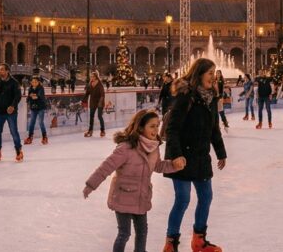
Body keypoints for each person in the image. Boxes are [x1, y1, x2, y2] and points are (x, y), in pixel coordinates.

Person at [83, 109, 186, 252]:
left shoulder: (154, 147)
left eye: (157, 125)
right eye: (152, 126)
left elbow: (157, 166)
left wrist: (174, 165)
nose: (156, 129)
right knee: (124, 233)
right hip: (123, 196)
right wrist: (90, 185)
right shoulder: (126, 148)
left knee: (142, 232)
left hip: (141, 197)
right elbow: (106, 167)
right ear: (141, 127)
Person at [162, 58, 227, 252]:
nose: (213, 77)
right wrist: (176, 155)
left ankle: (199, 239)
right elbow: (172, 128)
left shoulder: (212, 98)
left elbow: (214, 129)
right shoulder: (185, 96)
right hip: (182, 157)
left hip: (201, 157)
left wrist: (221, 153)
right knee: (182, 199)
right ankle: (170, 243)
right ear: (199, 74)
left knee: (206, 197)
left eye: (214, 73)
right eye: (209, 73)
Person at [25, 76, 49, 145]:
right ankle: (30, 137)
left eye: (35, 82)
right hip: (33, 107)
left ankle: (44, 137)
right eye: (32, 82)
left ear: (38, 82)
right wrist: (30, 97)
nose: (34, 83)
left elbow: (38, 96)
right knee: (32, 122)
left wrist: (33, 96)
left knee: (41, 122)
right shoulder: (30, 88)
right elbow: (28, 98)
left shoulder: (41, 88)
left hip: (40, 107)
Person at [83, 71, 107, 137]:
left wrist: (100, 103)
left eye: (93, 76)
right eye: (91, 76)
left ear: (96, 77)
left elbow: (102, 94)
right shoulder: (90, 84)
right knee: (91, 116)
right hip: (92, 102)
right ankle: (90, 131)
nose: (91, 77)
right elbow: (87, 93)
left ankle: (102, 131)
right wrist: (83, 100)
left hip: (99, 102)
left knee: (99, 116)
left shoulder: (100, 84)